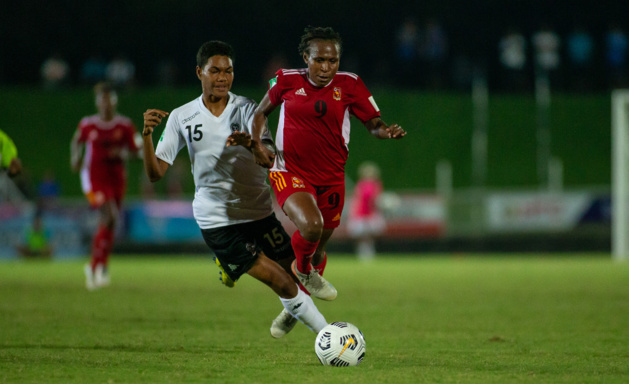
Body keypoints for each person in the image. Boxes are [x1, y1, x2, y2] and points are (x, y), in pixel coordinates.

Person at [142, 40, 327, 338]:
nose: (222, 78)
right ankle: (328, 335)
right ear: (199, 72)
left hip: (258, 212)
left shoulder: (248, 109)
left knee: (293, 274)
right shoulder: (181, 117)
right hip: (218, 220)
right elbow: (155, 174)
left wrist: (252, 144)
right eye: (214, 71)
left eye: (228, 71)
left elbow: (269, 158)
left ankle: (277, 297)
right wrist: (147, 137)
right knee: (283, 282)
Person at [233, 26, 406, 303]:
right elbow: (259, 113)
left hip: (332, 177)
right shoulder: (286, 80)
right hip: (289, 171)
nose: (326, 67)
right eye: (319, 60)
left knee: (319, 248)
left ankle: (297, 305)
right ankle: (302, 271)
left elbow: (373, 125)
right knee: (312, 226)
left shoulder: (350, 84)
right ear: (306, 57)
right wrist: (257, 143)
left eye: (332, 61)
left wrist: (386, 131)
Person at [70, 82, 142, 291]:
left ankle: (99, 266)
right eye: (102, 100)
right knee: (109, 217)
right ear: (97, 103)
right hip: (93, 179)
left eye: (109, 99)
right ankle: (96, 266)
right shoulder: (88, 124)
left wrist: (124, 154)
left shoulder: (125, 125)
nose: (105, 104)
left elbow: (137, 151)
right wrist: (76, 157)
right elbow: (76, 141)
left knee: (110, 222)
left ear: (114, 101)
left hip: (117, 179)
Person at [347, 161, 385, 261]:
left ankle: (367, 251)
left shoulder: (376, 185)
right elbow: (362, 200)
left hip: (370, 214)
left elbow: (374, 200)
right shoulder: (361, 185)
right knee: (362, 235)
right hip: (361, 214)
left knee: (369, 235)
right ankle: (364, 252)